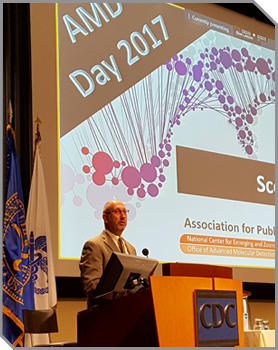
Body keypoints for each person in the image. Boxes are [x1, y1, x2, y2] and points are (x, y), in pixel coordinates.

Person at [79, 200, 136, 307]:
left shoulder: (131, 248)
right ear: (105, 218)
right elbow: (90, 285)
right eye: (117, 212)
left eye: (125, 211)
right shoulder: (94, 245)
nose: (123, 216)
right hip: (104, 313)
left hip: (129, 311)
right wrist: (120, 290)